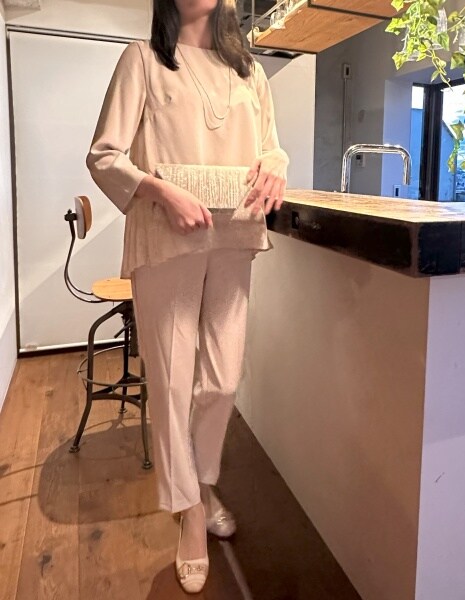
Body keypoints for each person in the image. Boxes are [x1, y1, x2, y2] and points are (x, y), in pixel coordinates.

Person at [86, 0, 289, 593]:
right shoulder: (144, 61)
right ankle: (192, 512)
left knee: (221, 380)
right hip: (165, 236)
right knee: (173, 381)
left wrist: (277, 162)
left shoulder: (249, 71)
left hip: (235, 233)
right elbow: (104, 156)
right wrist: (162, 192)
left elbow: (270, 146)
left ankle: (200, 483)